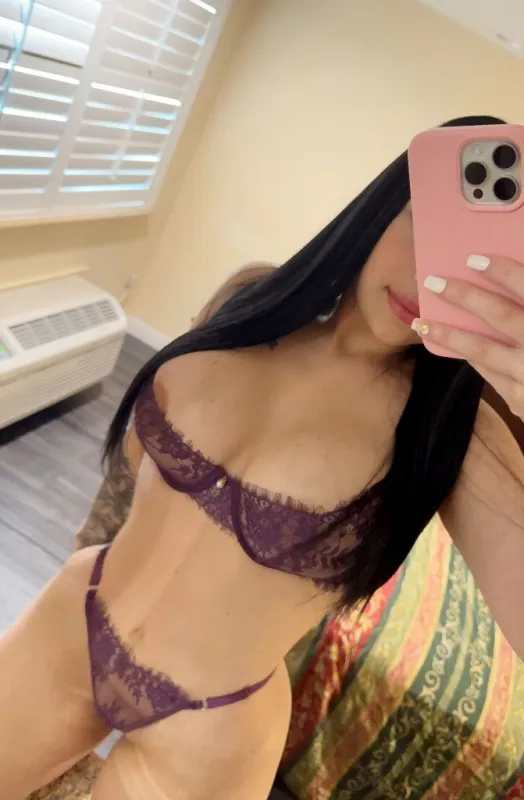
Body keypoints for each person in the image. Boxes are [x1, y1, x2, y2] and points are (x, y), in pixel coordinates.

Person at [2, 114, 524, 800]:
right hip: (78, 615)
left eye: (475, 267)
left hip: (211, 726)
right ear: (380, 206)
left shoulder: (456, 435)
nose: (432, 279)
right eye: (423, 226)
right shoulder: (251, 298)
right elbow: (137, 468)